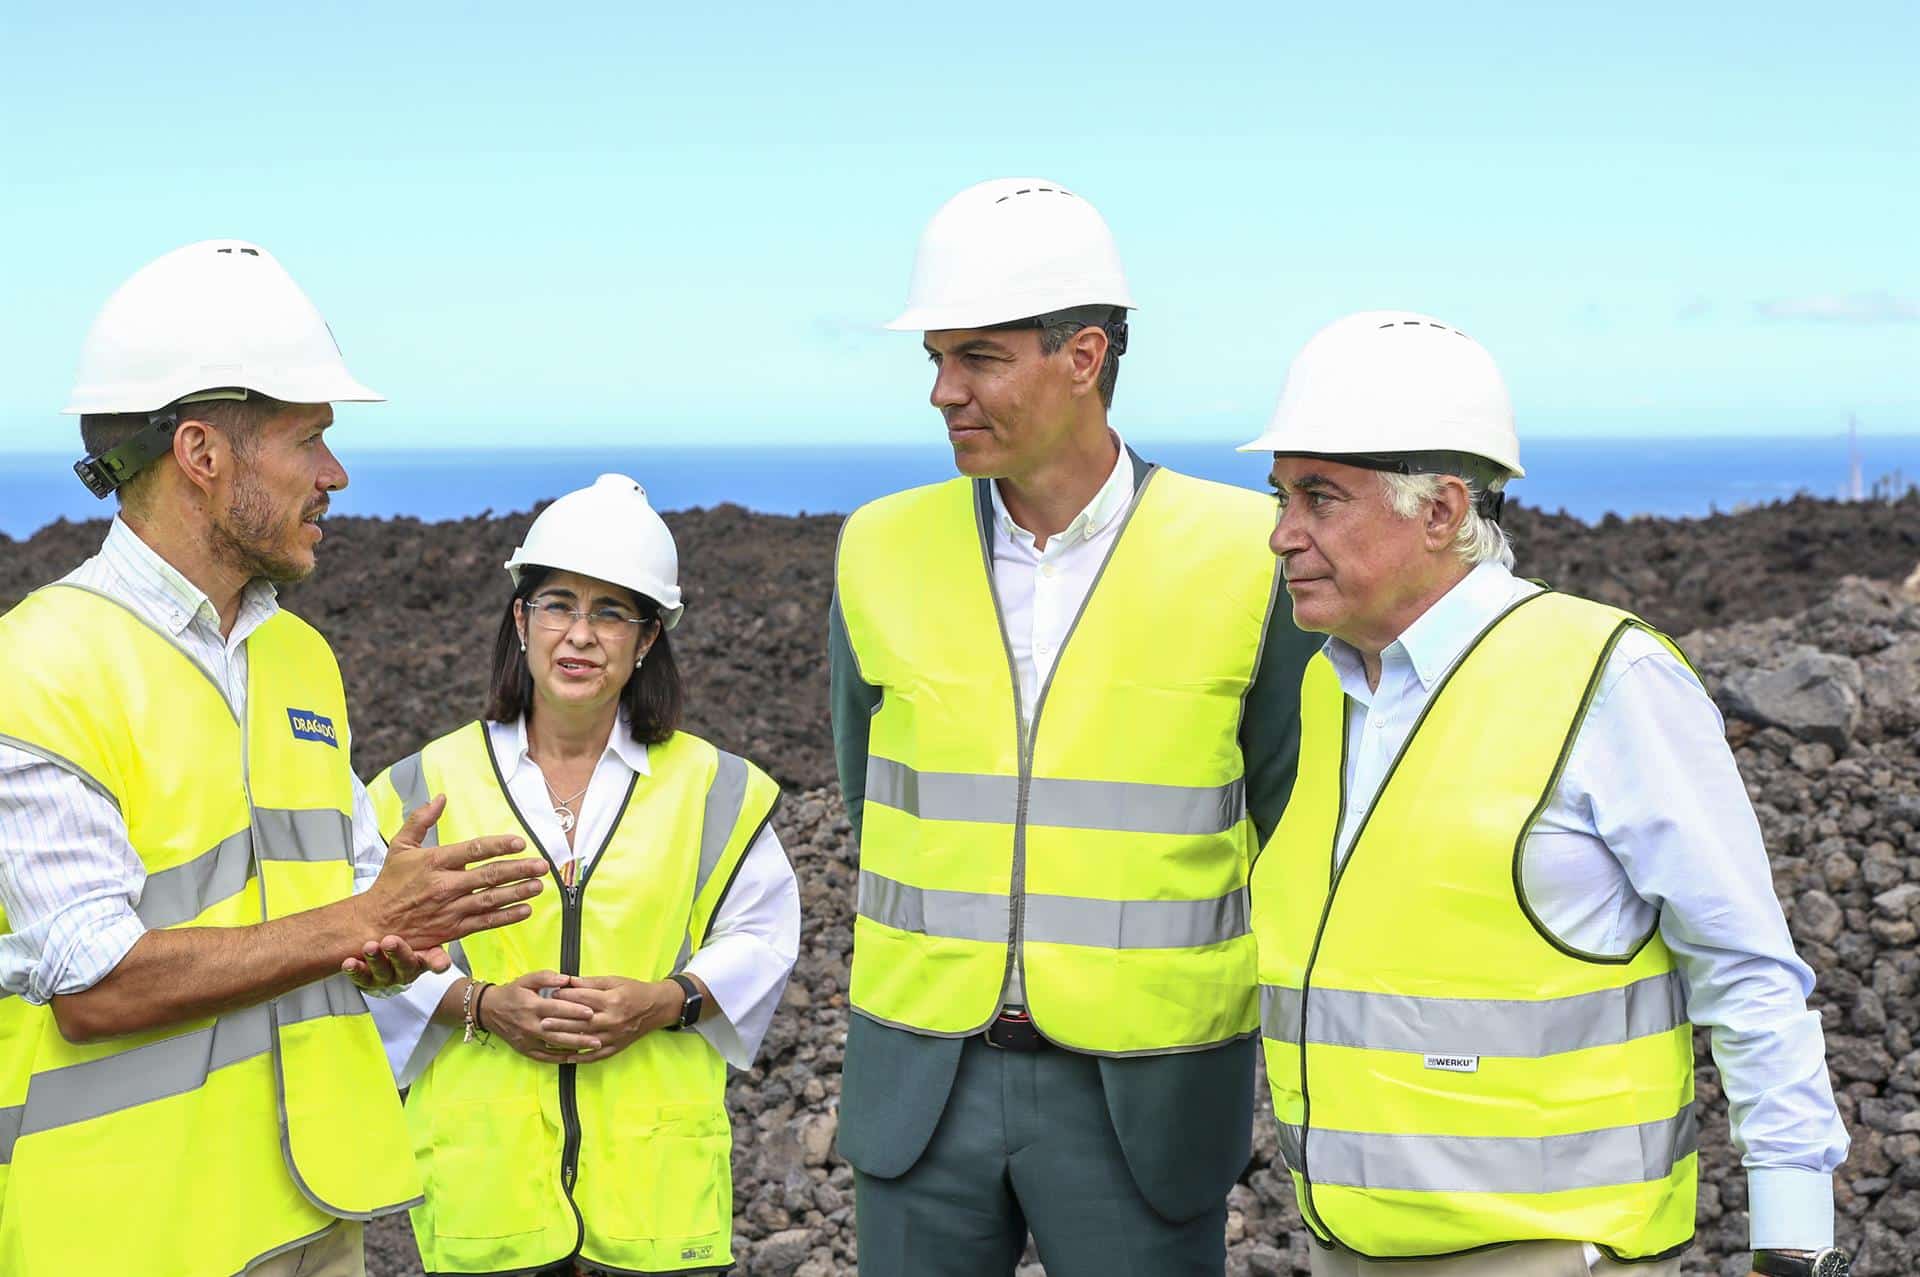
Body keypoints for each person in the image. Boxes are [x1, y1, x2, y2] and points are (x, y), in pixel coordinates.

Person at [1243, 311, 1852, 1277]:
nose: (1282, 535)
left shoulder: (1609, 676)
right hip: (1346, 1247)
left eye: (1320, 498)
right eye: (1280, 497)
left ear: (1441, 511)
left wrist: (1795, 1239)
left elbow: (1745, 966)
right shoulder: (1330, 687)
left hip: (1553, 1255)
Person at [0, 239, 550, 1277]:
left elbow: (333, 898)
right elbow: (93, 983)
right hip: (132, 1232)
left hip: (314, 1205)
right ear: (203, 454)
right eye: (311, 440)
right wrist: (362, 916)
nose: (337, 475)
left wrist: (391, 937)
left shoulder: (298, 656)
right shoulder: (38, 665)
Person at [829, 178, 1323, 1276]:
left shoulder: (1248, 554)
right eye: (936, 362)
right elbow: (871, 793)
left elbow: (1291, 818)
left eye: (979, 359)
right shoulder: (876, 547)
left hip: (1146, 1091)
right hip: (921, 1080)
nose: (944, 392)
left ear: (1085, 355)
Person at [365, 473, 799, 1276]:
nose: (580, 634)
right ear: (521, 619)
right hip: (484, 1192)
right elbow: (364, 960)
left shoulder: (715, 786)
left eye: (612, 612)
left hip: (656, 1202)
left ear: (648, 639)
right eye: (559, 603)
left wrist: (666, 1001)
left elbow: (765, 937)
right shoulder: (419, 785)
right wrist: (480, 1005)